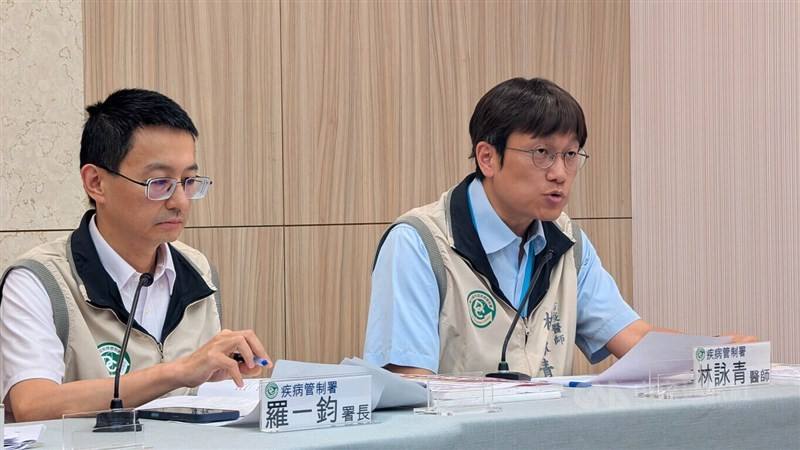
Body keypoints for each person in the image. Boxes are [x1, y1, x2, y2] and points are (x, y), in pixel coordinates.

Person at [363, 77, 755, 376]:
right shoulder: (420, 244)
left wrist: (711, 352)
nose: (560, 173)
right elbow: (409, 383)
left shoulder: (567, 244)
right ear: (488, 158)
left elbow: (632, 339)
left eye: (570, 155)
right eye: (542, 153)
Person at [0, 89, 271, 422]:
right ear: (96, 182)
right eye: (159, 182)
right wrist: (178, 372)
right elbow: (32, 405)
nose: (180, 202)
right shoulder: (39, 281)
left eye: (188, 181)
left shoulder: (197, 270)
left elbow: (193, 394)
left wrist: (216, 376)